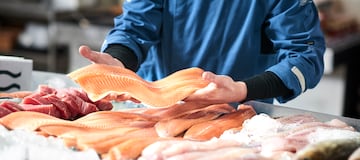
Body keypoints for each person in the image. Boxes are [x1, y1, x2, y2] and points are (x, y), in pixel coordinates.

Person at [79, 0, 325, 106]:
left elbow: (304, 56)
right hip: (155, 112)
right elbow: (134, 26)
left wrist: (243, 90)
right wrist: (118, 59)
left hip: (241, 121)